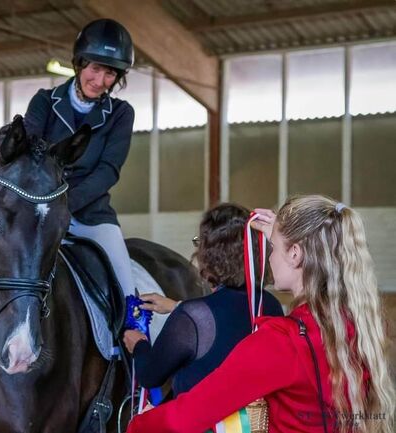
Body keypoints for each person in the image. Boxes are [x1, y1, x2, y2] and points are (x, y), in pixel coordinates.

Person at [127, 195, 395, 433]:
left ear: (295, 254)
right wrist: (282, 233)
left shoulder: (281, 342)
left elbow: (183, 419)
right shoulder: (358, 324)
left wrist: (137, 425)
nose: (267, 258)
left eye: (274, 248)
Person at [23, 18, 136, 298]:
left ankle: (133, 336)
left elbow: (108, 170)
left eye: (110, 74)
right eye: (95, 69)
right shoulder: (44, 102)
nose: (100, 82)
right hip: (38, 212)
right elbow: (28, 149)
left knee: (126, 288)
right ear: (80, 63)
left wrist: (65, 203)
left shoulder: (122, 113)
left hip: (92, 216)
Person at [123, 203, 284, 397]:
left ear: (210, 255)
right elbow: (227, 324)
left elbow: (150, 375)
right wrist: (176, 306)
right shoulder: (270, 305)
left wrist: (139, 345)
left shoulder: (192, 316)